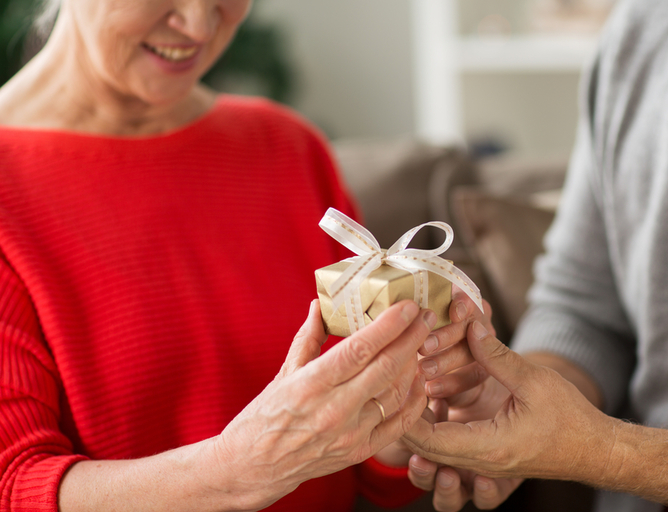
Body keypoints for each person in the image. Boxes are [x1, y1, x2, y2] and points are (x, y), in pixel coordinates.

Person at [0, 0, 469, 510]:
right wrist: (236, 471)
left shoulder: (286, 147)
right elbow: (14, 485)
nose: (200, 23)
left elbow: (359, 461)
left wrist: (423, 406)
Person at [401, 0, 668, 511]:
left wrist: (601, 451)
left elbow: (600, 451)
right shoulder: (643, 35)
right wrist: (525, 394)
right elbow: (583, 306)